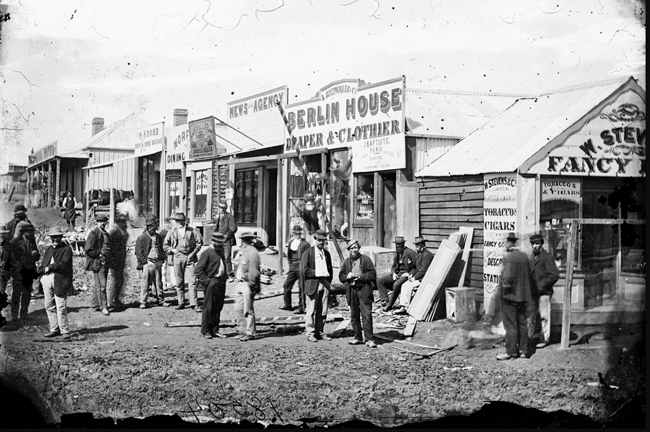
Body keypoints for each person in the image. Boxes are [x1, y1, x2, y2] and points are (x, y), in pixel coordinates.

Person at [496, 232, 536, 361]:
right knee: (522, 323)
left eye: (504, 243)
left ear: (509, 243)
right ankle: (524, 351)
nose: (504, 245)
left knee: (511, 325)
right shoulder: (525, 256)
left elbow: (508, 278)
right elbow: (531, 275)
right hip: (524, 297)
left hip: (511, 296)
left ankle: (511, 352)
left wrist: (502, 287)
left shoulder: (510, 257)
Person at [338, 239, 377, 348]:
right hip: (352, 291)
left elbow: (372, 274)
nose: (354, 250)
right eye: (352, 248)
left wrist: (360, 277)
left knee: (367, 315)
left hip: (364, 290)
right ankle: (358, 337)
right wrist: (347, 276)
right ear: (349, 250)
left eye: (356, 247)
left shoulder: (366, 260)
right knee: (354, 315)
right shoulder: (346, 262)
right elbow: (341, 277)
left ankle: (369, 339)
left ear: (358, 248)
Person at [163, 212, 203, 311]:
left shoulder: (192, 231)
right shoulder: (172, 232)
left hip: (189, 257)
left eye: (181, 221)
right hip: (177, 257)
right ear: (175, 222)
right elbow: (165, 245)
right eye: (178, 221)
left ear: (185, 221)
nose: (180, 223)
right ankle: (181, 302)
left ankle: (194, 303)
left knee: (192, 281)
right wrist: (172, 250)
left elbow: (199, 243)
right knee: (179, 281)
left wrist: (192, 254)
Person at [41, 226, 73, 339]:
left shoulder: (67, 249)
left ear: (61, 237)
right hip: (47, 279)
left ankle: (64, 330)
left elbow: (64, 264)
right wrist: (41, 275)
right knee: (49, 305)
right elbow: (43, 264)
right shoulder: (49, 249)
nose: (55, 239)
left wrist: (50, 267)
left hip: (60, 279)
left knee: (61, 306)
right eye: (53, 237)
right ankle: (54, 329)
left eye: (57, 237)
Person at [301, 229, 333, 343]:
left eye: (323, 241)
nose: (321, 243)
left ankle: (320, 332)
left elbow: (330, 270)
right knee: (311, 310)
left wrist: (328, 283)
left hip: (324, 283)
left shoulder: (327, 254)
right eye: (319, 240)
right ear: (315, 240)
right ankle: (310, 333)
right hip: (313, 283)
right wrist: (318, 273)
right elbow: (305, 271)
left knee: (323, 310)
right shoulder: (308, 253)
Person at [529, 233, 560, 349]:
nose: (535, 246)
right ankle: (535, 336)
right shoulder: (532, 257)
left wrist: (541, 286)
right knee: (535, 316)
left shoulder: (546, 257)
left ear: (541, 244)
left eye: (537, 243)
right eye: (533, 244)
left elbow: (554, 275)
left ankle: (545, 338)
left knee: (544, 316)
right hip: (533, 292)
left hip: (544, 292)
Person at [195, 232, 228, 339]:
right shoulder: (207, 253)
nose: (221, 244)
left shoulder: (220, 251)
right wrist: (207, 282)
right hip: (212, 281)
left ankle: (215, 329)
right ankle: (206, 331)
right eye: (219, 242)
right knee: (208, 307)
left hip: (221, 281)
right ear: (213, 241)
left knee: (218, 307)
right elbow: (198, 271)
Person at [9, 221, 40, 322]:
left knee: (27, 293)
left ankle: (24, 314)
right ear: (23, 232)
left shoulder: (33, 241)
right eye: (29, 232)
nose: (31, 234)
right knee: (16, 294)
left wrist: (35, 255)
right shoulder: (15, 243)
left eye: (32, 232)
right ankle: (14, 315)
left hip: (29, 272)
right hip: (19, 272)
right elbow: (13, 259)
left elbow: (37, 257)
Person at [135, 215, 168, 309]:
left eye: (153, 225)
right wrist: (144, 262)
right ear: (147, 227)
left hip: (157, 262)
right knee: (145, 284)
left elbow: (160, 249)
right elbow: (138, 252)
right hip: (148, 263)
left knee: (159, 283)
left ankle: (161, 300)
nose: (152, 227)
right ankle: (143, 302)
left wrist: (162, 259)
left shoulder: (157, 236)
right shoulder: (142, 237)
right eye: (150, 226)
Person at [376, 236, 417, 310]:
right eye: (397, 245)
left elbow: (416, 267)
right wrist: (394, 273)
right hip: (398, 274)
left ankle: (389, 305)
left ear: (403, 244)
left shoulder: (410, 253)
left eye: (400, 244)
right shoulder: (397, 254)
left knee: (396, 284)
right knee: (380, 280)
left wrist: (409, 273)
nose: (398, 246)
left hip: (405, 275)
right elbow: (393, 266)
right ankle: (385, 300)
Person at [234, 231, 261, 341]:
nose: (242, 243)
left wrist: (251, 284)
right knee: (238, 308)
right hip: (240, 282)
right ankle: (242, 330)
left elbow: (254, 271)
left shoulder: (252, 253)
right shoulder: (243, 252)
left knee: (248, 310)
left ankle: (250, 332)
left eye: (244, 241)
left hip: (247, 283)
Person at [84, 214, 112, 316]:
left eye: (104, 222)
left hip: (106, 263)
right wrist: (98, 255)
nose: (102, 224)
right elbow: (88, 249)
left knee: (100, 285)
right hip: (98, 263)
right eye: (100, 222)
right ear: (97, 222)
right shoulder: (94, 233)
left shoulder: (106, 234)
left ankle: (96, 304)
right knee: (102, 286)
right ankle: (103, 307)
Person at [397, 236, 434, 308]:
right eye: (415, 245)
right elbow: (415, 268)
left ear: (423, 245)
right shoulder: (418, 254)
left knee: (409, 287)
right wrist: (411, 275)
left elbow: (424, 270)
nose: (416, 247)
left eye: (418, 245)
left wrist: (414, 278)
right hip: (418, 277)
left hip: (424, 278)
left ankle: (408, 306)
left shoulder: (427, 254)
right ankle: (403, 306)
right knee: (404, 285)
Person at [281, 225, 310, 313]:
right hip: (292, 267)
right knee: (286, 286)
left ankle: (302, 308)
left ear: (301, 233)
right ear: (292, 233)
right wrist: (289, 265)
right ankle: (287, 305)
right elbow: (288, 255)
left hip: (301, 267)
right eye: (295, 233)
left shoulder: (305, 244)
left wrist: (306, 267)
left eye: (298, 233)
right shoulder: (290, 242)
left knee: (302, 288)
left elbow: (309, 256)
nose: (296, 235)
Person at [108, 214, 129, 310]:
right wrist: (113, 261)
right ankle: (113, 301)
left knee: (120, 280)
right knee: (115, 280)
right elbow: (112, 248)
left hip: (121, 259)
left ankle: (115, 299)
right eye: (123, 222)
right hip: (116, 260)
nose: (125, 224)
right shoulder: (115, 232)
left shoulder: (122, 231)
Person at [215, 201, 238, 283]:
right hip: (218, 240)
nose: (222, 209)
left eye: (223, 208)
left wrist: (226, 236)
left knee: (227, 257)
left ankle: (230, 274)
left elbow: (233, 228)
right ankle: (221, 273)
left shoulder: (230, 217)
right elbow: (216, 228)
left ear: (226, 208)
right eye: (220, 208)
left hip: (226, 240)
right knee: (218, 256)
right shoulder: (218, 217)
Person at [159, 216, 176, 291]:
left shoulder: (174, 232)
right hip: (163, 253)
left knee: (172, 268)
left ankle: (174, 284)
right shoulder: (162, 233)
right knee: (163, 269)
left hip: (171, 253)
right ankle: (163, 284)